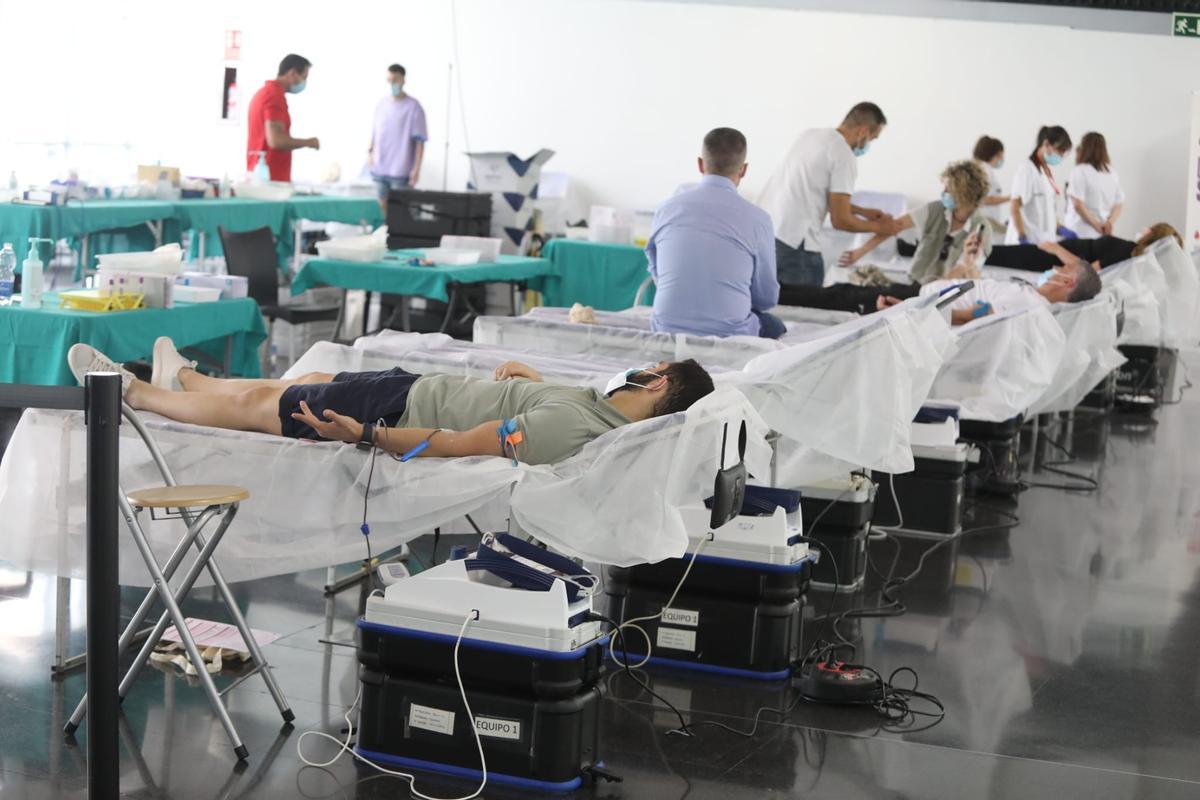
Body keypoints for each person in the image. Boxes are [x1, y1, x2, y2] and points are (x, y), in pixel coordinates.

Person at [65, 339, 715, 466]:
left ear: (655, 386)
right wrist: (525, 378)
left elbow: (458, 444)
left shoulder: (561, 431)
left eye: (649, 367)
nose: (638, 368)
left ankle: (135, 393)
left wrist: (363, 436)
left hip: (396, 413)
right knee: (299, 378)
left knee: (264, 405)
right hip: (407, 390)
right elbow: (550, 404)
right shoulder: (591, 408)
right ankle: (190, 380)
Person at [646, 128, 783, 339]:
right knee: (775, 326)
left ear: (700, 164)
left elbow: (656, 269)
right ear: (744, 169)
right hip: (730, 332)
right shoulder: (758, 219)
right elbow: (765, 298)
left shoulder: (666, 209)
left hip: (666, 326)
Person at [757, 102, 897, 287]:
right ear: (863, 131)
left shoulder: (809, 136)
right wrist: (880, 228)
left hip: (765, 233)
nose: (868, 145)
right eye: (872, 138)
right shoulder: (843, 154)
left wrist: (862, 211)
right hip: (795, 245)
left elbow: (810, 191)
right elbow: (840, 220)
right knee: (810, 309)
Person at [778, 259, 1101, 324]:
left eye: (1064, 269)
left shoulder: (1025, 303)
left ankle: (769, 295)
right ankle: (771, 293)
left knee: (833, 298)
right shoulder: (1029, 295)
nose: (1057, 268)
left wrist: (908, 311)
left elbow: (977, 317)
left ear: (1067, 283)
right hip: (921, 295)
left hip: (916, 305)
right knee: (839, 292)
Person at [837, 160, 993, 285]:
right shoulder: (936, 210)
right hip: (917, 282)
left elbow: (963, 268)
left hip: (949, 292)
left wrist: (930, 293)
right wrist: (860, 252)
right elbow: (894, 227)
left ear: (963, 194)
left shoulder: (980, 229)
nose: (943, 193)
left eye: (948, 189)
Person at [986, 222, 1182, 272]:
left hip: (1052, 257)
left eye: (1151, 228)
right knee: (997, 255)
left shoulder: (1127, 253)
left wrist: (1056, 250)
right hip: (1057, 252)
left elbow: (1087, 272)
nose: (1145, 228)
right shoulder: (1130, 253)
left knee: (996, 256)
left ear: (1151, 235)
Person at [246, 54, 320, 182]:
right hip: (270, 180)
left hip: (262, 177)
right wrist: (309, 142)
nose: (304, 82)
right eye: (304, 77)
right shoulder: (273, 96)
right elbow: (276, 141)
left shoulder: (264, 93)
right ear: (292, 73)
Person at [368, 64, 428, 210]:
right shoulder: (381, 104)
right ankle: (383, 232)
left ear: (403, 80)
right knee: (381, 207)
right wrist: (369, 153)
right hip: (379, 167)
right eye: (389, 80)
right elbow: (375, 133)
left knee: (399, 210)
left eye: (395, 79)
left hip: (400, 170)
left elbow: (420, 142)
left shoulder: (414, 107)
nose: (392, 83)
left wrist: (416, 169)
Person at [1006, 126, 1071, 245]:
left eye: (1063, 153)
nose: (1060, 156)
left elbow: (1044, 210)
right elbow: (1015, 207)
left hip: (1044, 241)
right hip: (1027, 242)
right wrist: (1022, 237)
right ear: (1046, 144)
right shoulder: (1027, 169)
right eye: (1059, 151)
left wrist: (1059, 228)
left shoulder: (1045, 172)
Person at [1064, 132, 1125, 239]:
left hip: (1080, 232)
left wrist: (1096, 225)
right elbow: (1119, 204)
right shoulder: (1111, 172)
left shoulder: (1080, 170)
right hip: (1102, 234)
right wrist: (1109, 223)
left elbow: (1078, 204)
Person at [972, 135, 1009, 231]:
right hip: (985, 221)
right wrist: (1010, 198)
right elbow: (985, 199)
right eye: (1002, 154)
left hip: (985, 221)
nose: (1002, 158)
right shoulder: (985, 171)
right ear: (997, 154)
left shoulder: (979, 169)